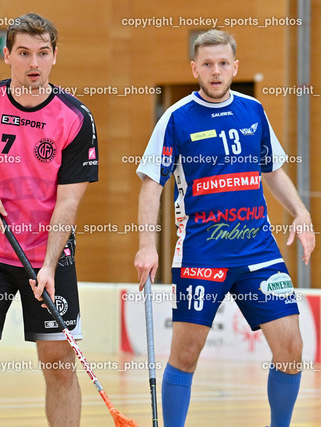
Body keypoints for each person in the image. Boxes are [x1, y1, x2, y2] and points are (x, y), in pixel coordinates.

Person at [134, 29, 315, 427]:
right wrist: (148, 245)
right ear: (194, 68)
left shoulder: (254, 111)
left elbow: (273, 170)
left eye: (222, 63)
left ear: (235, 66)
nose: (215, 72)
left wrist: (301, 212)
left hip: (259, 252)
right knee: (185, 355)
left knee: (291, 348)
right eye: (207, 64)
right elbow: (151, 183)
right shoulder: (176, 118)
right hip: (202, 253)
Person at [0, 12, 99, 427]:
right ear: (6, 55)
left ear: (54, 56)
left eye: (43, 53)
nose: (33, 64)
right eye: (24, 53)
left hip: (50, 258)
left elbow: (68, 204)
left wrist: (47, 265)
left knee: (58, 364)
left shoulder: (75, 117)